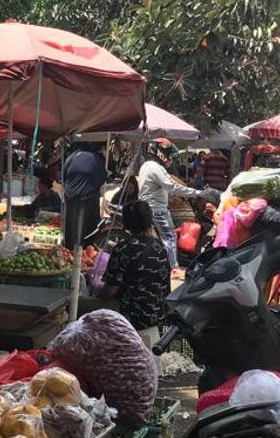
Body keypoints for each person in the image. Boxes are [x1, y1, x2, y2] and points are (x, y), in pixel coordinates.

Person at [98, 200, 172, 349]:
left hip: (133, 316)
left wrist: (95, 293)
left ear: (126, 223)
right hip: (158, 314)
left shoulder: (123, 249)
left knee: (83, 305)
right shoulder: (160, 247)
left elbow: (110, 291)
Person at [138, 141, 206, 268]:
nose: (169, 158)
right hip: (156, 209)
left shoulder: (147, 165)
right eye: (168, 154)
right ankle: (172, 268)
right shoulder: (155, 168)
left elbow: (163, 187)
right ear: (160, 153)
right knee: (170, 237)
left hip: (149, 206)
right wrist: (197, 193)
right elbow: (172, 186)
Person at [63, 144, 107, 248]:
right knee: (85, 231)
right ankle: (81, 251)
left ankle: (69, 249)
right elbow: (103, 177)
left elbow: (64, 176)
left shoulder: (72, 157)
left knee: (70, 229)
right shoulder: (95, 159)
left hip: (70, 197)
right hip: (87, 199)